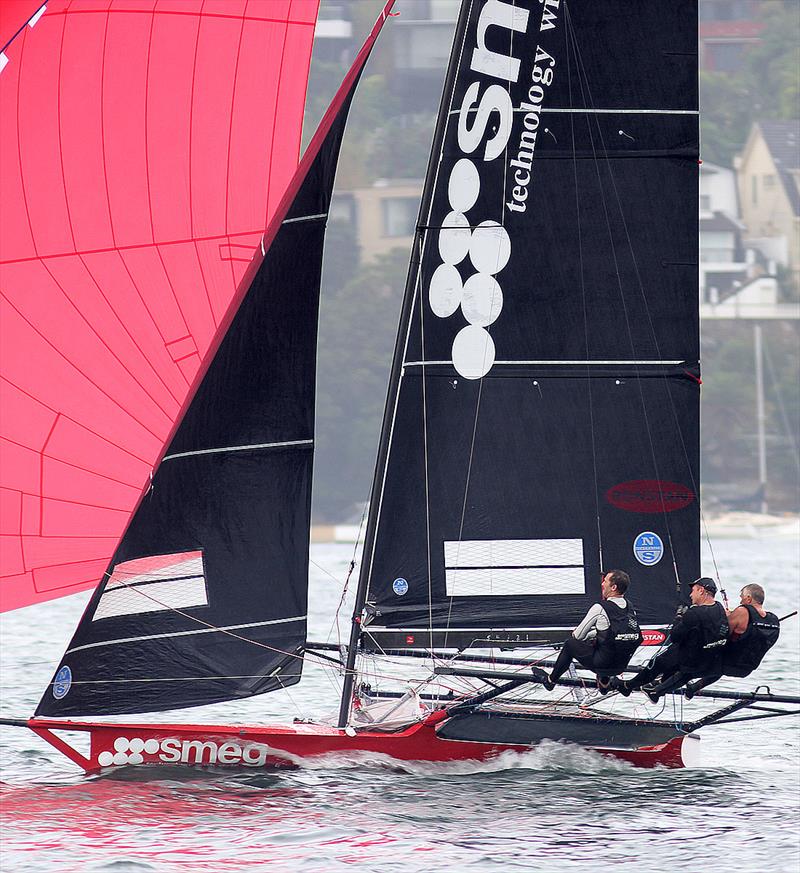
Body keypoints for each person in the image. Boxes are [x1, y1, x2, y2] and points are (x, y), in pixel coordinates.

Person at [612, 577, 729, 702]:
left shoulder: (694, 613)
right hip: (706, 659)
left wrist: (679, 619)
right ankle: (656, 688)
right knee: (673, 658)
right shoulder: (719, 608)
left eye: (693, 590)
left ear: (701, 591)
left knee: (657, 662)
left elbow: (674, 636)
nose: (690, 595)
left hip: (689, 660)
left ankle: (628, 686)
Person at [531, 570, 642, 693]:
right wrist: (595, 634)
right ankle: (604, 683)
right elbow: (618, 632)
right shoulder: (630, 607)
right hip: (621, 666)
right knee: (604, 642)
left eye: (605, 581)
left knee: (570, 644)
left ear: (613, 587)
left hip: (603, 665)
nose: (602, 584)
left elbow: (578, 636)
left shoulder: (599, 608)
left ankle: (550, 681)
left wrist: (584, 634)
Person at [683, 583, 780, 698]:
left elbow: (719, 633)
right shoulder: (773, 620)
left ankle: (660, 686)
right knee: (719, 661)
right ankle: (693, 688)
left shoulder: (742, 611)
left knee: (705, 652)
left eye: (741, 598)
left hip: (726, 663)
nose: (740, 602)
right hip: (747, 668)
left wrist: (727, 617)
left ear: (748, 598)